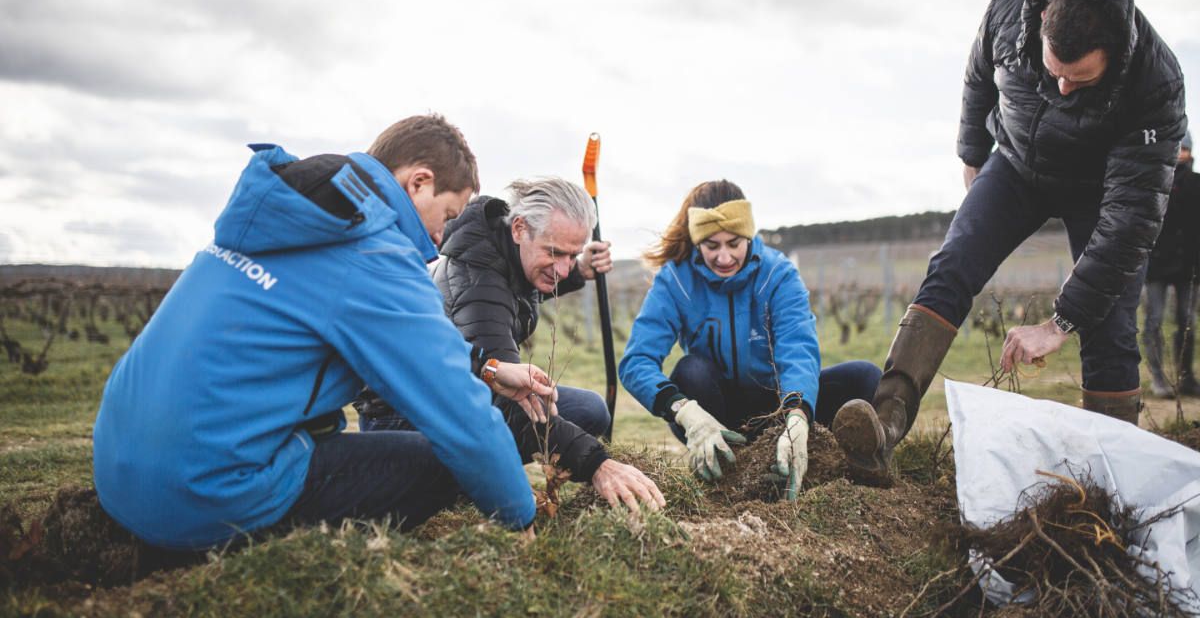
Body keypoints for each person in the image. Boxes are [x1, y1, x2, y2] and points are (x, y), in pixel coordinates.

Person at [93, 114, 553, 550]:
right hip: (199, 498)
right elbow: (458, 413)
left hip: (120, 473)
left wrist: (489, 368)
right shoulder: (374, 255)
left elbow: (417, 347)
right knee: (440, 462)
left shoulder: (290, 217)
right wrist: (519, 514)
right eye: (450, 215)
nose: (442, 236)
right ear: (419, 182)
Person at [834, 0, 1187, 475]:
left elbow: (1131, 222)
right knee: (950, 266)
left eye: (1080, 81)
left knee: (1110, 323)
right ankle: (884, 425)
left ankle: (1115, 474)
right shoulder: (1007, 13)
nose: (1063, 87)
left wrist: (1059, 321)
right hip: (1017, 165)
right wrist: (973, 155)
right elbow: (979, 79)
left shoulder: (1156, 83)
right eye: (1054, 72)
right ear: (1042, 23)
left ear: (1115, 51)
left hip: (1101, 190)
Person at [355, 176, 664, 511]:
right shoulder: (478, 281)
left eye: (572, 255)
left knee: (587, 410)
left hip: (451, 398)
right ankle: (458, 484)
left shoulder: (504, 253)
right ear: (519, 229)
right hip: (402, 419)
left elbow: (520, 293)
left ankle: (474, 478)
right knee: (535, 414)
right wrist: (597, 464)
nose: (563, 267)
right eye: (555, 252)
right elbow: (508, 402)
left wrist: (579, 271)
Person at [618, 180, 882, 498]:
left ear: (749, 235)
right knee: (691, 370)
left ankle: (830, 461)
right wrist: (685, 411)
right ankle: (722, 464)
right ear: (697, 241)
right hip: (715, 411)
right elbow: (636, 362)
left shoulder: (778, 274)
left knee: (867, 379)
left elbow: (796, 349)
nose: (725, 257)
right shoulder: (675, 281)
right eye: (712, 246)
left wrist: (797, 415)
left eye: (734, 243)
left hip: (776, 404)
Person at [1142, 131, 1200, 397]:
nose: (1180, 154)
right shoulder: (1153, 181)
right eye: (1177, 148)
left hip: (1190, 266)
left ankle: (1186, 378)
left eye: (1184, 149)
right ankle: (1158, 379)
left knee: (1187, 321)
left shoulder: (1197, 184)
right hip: (1155, 264)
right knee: (1153, 320)